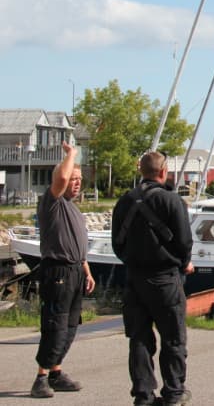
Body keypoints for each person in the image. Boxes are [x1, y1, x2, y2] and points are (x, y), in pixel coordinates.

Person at [111, 151, 194, 406]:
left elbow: (117, 243)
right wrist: (183, 262)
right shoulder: (172, 201)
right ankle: (173, 393)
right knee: (173, 339)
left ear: (141, 171)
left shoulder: (124, 202)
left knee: (139, 339)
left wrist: (132, 261)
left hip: (134, 279)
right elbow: (184, 241)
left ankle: (143, 395)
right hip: (165, 278)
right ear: (163, 172)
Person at [30, 142, 95, 399]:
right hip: (57, 272)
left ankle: (56, 372)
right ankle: (41, 377)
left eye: (80, 180)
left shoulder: (73, 209)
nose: (76, 183)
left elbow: (77, 246)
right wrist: (71, 155)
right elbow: (63, 176)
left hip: (75, 272)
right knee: (55, 325)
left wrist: (87, 271)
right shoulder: (52, 202)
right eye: (73, 179)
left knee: (70, 326)